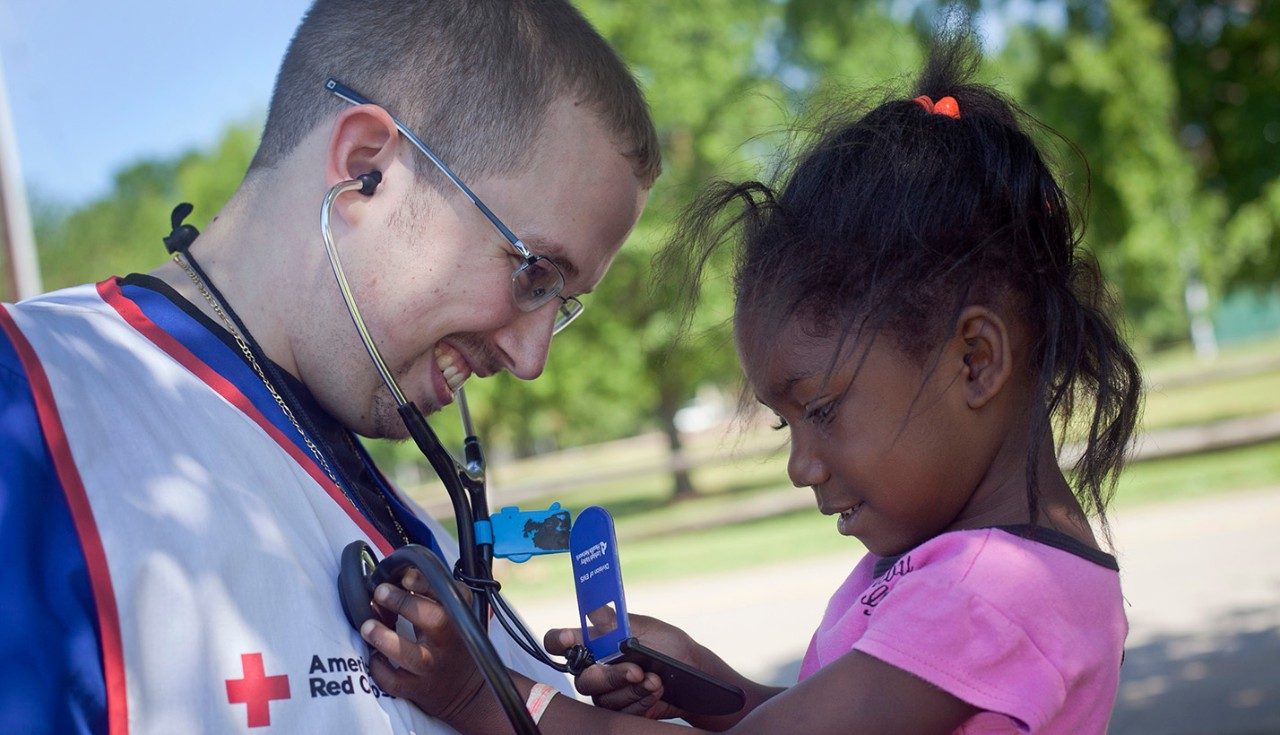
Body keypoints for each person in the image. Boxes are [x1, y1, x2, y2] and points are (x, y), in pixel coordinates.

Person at [356, 34, 1141, 734]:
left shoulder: (990, 594)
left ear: (976, 359)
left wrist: (491, 700)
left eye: (824, 408)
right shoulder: (964, 567)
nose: (802, 464)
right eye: (787, 424)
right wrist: (703, 680)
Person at [0, 2, 658, 733]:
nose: (532, 360)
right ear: (365, 167)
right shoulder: (31, 407)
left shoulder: (408, 520)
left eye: (561, 302)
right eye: (534, 273)